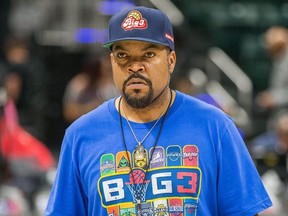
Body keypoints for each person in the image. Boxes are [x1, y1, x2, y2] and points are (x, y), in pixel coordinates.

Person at [45, 6, 272, 215]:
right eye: (123, 55)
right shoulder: (80, 135)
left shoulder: (215, 126)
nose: (135, 66)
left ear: (171, 61)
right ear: (111, 62)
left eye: (149, 54)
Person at [63, 51, 119, 123]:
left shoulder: (118, 83)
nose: (108, 65)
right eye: (106, 60)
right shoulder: (80, 83)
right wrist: (89, 108)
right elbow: (68, 112)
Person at [255, 26, 288, 127]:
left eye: (269, 41)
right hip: (278, 121)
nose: (267, 46)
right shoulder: (278, 59)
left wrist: (273, 98)